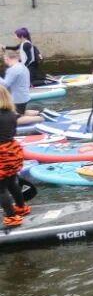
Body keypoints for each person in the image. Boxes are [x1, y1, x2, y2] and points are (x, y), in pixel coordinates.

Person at [0, 86, 28, 227]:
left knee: (1, 189)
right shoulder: (12, 114)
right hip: (12, 151)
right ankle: (21, 207)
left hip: (2, 154)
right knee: (11, 182)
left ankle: (11, 217)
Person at [1, 50, 37, 125]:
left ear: (7, 59)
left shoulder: (13, 69)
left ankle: (40, 118)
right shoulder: (22, 66)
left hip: (17, 99)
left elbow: (5, 84)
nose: (4, 61)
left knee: (15, 119)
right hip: (24, 97)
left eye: (4, 59)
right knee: (20, 112)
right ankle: (39, 113)